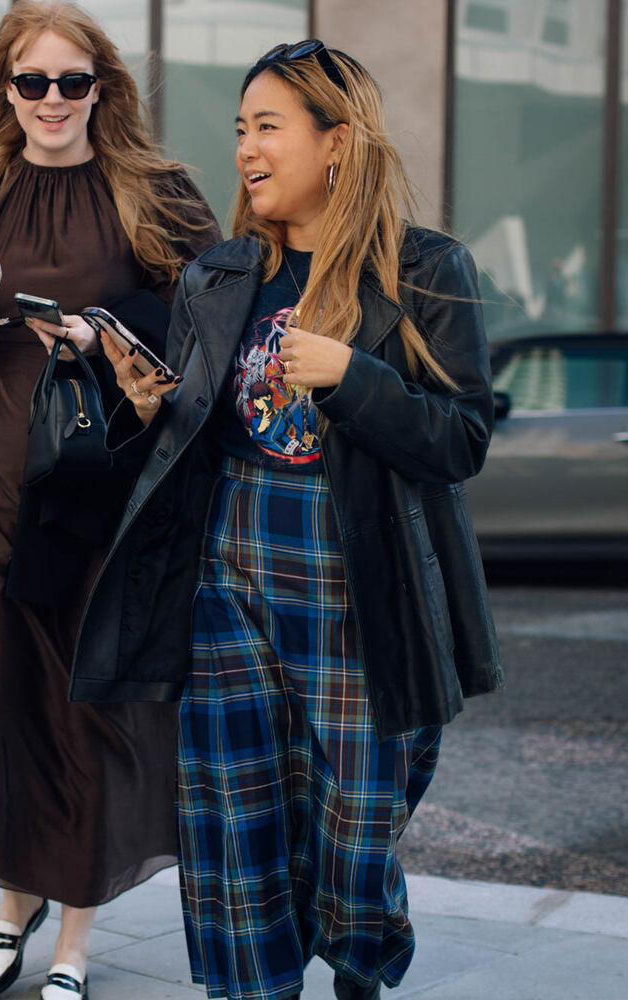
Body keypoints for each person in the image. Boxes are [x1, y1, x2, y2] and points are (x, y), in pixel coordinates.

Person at [71, 39, 504, 1000]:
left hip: (362, 573)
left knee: (358, 820)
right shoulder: (218, 277)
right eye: (240, 129)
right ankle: (253, 987)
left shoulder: (426, 270)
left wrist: (354, 377)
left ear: (336, 141)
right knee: (235, 813)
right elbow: (188, 448)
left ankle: (358, 961)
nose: (246, 150)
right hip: (230, 570)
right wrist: (150, 412)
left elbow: (461, 439)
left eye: (268, 127)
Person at [0, 3, 220, 999]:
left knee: (89, 710)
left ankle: (65, 936)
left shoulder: (150, 191)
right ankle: (14, 894)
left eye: (72, 83)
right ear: (4, 88)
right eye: (32, 82)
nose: (51, 102)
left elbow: (206, 320)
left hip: (99, 482)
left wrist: (102, 333)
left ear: (100, 90)